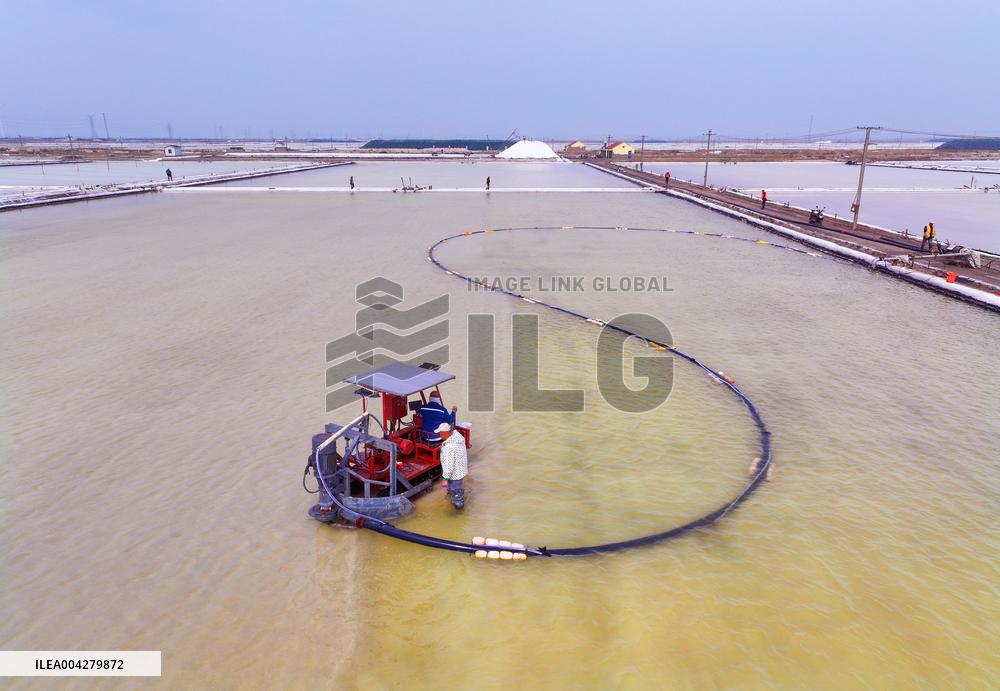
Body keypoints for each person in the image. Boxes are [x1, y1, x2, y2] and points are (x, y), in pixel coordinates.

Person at [437, 422, 468, 509]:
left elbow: (449, 466)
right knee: (455, 488)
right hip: (461, 470)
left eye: (440, 433)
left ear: (445, 433)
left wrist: (445, 479)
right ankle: (455, 496)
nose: (439, 435)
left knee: (455, 491)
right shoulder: (458, 437)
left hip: (454, 475)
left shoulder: (449, 448)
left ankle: (459, 508)